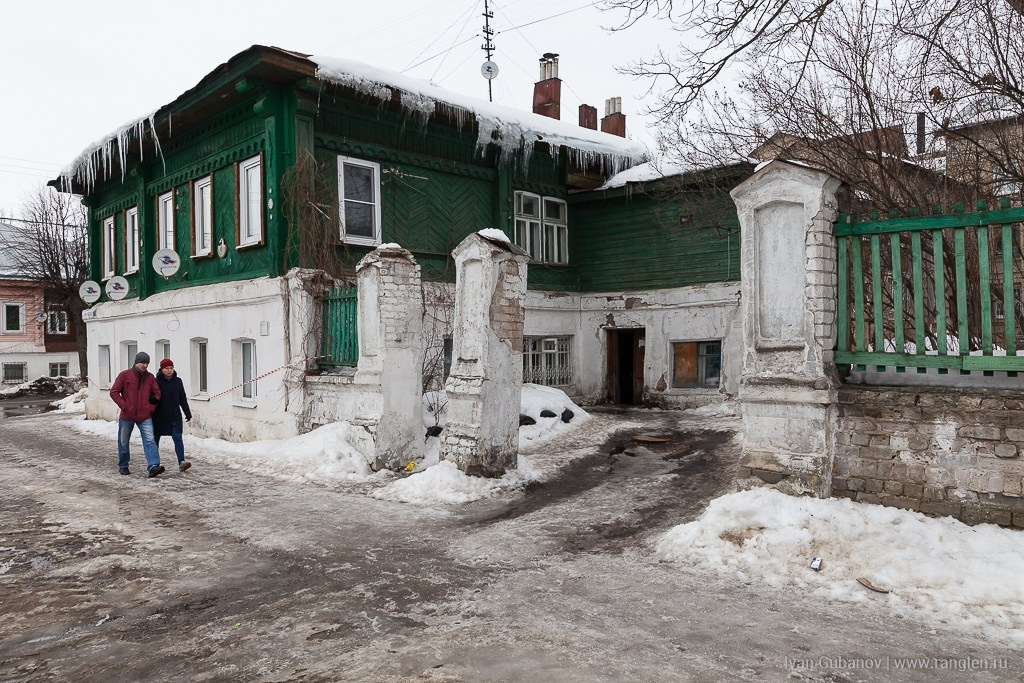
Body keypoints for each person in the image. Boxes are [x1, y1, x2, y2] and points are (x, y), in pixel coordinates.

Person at [109, 351, 164, 477]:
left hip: (145, 415)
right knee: (123, 441)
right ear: (136, 362)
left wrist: (150, 407)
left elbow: (157, 393)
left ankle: (153, 466)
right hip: (127, 415)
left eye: (147, 363)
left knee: (150, 439)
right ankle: (123, 465)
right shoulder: (124, 375)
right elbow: (114, 392)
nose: (145, 365)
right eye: (142, 363)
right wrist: (124, 406)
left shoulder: (150, 377)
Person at [153, 358, 194, 472]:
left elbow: (182, 398)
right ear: (161, 369)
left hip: (174, 416)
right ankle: (154, 464)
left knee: (177, 437)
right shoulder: (156, 382)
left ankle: (182, 462)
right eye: (166, 368)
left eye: (171, 368)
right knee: (155, 440)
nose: (169, 370)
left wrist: (187, 412)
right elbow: (150, 398)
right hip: (159, 416)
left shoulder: (178, 381)